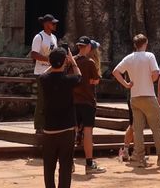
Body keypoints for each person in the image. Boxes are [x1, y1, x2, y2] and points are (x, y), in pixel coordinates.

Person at [112, 33, 160, 167]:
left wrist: (126, 84)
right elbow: (156, 74)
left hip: (135, 97)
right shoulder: (149, 56)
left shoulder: (129, 58)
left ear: (135, 45)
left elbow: (116, 71)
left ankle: (139, 157)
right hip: (148, 96)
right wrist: (149, 80)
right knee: (156, 127)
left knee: (137, 129)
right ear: (145, 43)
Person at [38, 47, 84, 188]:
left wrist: (54, 64)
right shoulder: (68, 80)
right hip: (67, 128)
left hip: (49, 129)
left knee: (49, 166)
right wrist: (72, 61)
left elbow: (42, 74)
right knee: (65, 164)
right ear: (65, 61)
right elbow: (79, 76)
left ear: (51, 62)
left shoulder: (44, 79)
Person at [73, 36, 107, 175]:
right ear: (87, 47)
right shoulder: (90, 62)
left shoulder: (71, 61)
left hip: (73, 101)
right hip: (87, 101)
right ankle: (89, 163)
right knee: (88, 132)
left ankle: (69, 163)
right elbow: (95, 81)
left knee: (72, 132)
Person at [31, 14, 60, 133]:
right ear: (46, 24)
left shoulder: (54, 37)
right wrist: (48, 60)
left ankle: (49, 124)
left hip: (53, 72)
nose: (55, 25)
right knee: (42, 99)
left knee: (52, 99)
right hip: (41, 72)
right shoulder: (39, 37)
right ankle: (39, 126)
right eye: (53, 23)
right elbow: (34, 54)